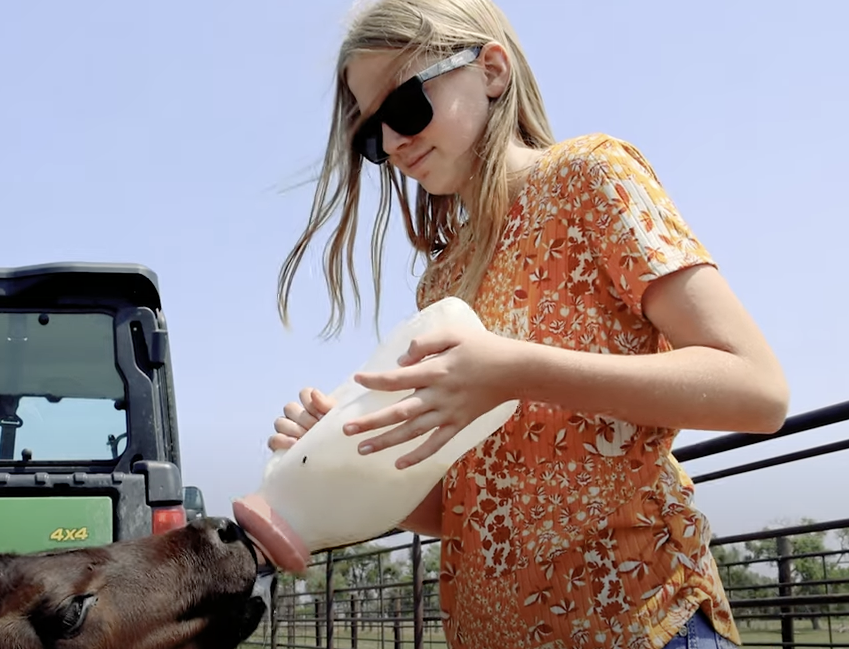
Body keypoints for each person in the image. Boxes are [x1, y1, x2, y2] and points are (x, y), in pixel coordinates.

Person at [268, 1, 790, 647]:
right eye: (370, 135)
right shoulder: (440, 277)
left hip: (635, 618)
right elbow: (462, 512)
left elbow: (757, 390)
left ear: (490, 70)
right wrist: (347, 452)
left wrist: (512, 369)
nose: (395, 142)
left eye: (404, 107)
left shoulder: (589, 175)